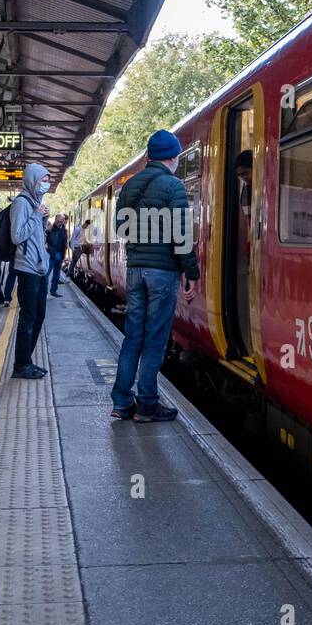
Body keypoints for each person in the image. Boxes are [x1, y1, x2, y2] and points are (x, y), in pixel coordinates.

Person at [110, 129, 199, 423]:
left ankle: (122, 402)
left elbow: (120, 229)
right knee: (155, 340)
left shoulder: (130, 185)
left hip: (135, 271)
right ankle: (147, 403)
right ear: (173, 157)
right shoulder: (173, 186)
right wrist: (191, 272)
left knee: (133, 337)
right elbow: (181, 234)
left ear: (150, 157)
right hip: (162, 273)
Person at [10, 163, 53, 379]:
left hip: (39, 269)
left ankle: (27, 360)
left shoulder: (36, 203)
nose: (46, 184)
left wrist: (42, 219)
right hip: (27, 268)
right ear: (31, 181)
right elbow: (17, 236)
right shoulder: (21, 203)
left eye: (47, 181)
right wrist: (36, 215)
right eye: (42, 181)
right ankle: (21, 365)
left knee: (39, 315)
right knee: (28, 317)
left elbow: (36, 237)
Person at [47, 213, 69, 297]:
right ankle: (43, 291)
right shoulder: (50, 229)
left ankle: (53, 291)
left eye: (62, 220)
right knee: (46, 274)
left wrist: (64, 254)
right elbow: (48, 240)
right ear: (56, 219)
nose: (61, 221)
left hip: (60, 254)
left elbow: (65, 243)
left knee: (56, 274)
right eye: (59, 220)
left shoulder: (64, 230)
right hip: (51, 254)